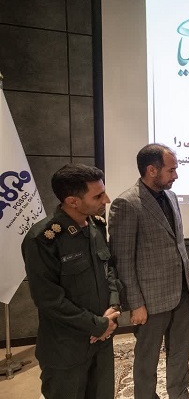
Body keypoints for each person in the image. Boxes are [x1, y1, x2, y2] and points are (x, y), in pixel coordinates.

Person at [21, 164, 120, 399]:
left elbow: (109, 270)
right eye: (98, 196)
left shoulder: (96, 226)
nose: (106, 199)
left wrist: (113, 308)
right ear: (72, 201)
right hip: (66, 349)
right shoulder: (43, 239)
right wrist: (96, 325)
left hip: (102, 341)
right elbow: (49, 300)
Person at [109, 144, 189, 399]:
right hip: (150, 299)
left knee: (181, 349)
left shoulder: (172, 197)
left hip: (181, 290)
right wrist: (136, 304)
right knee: (147, 357)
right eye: (171, 170)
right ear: (152, 170)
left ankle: (179, 393)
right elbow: (122, 260)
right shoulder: (127, 203)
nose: (176, 175)